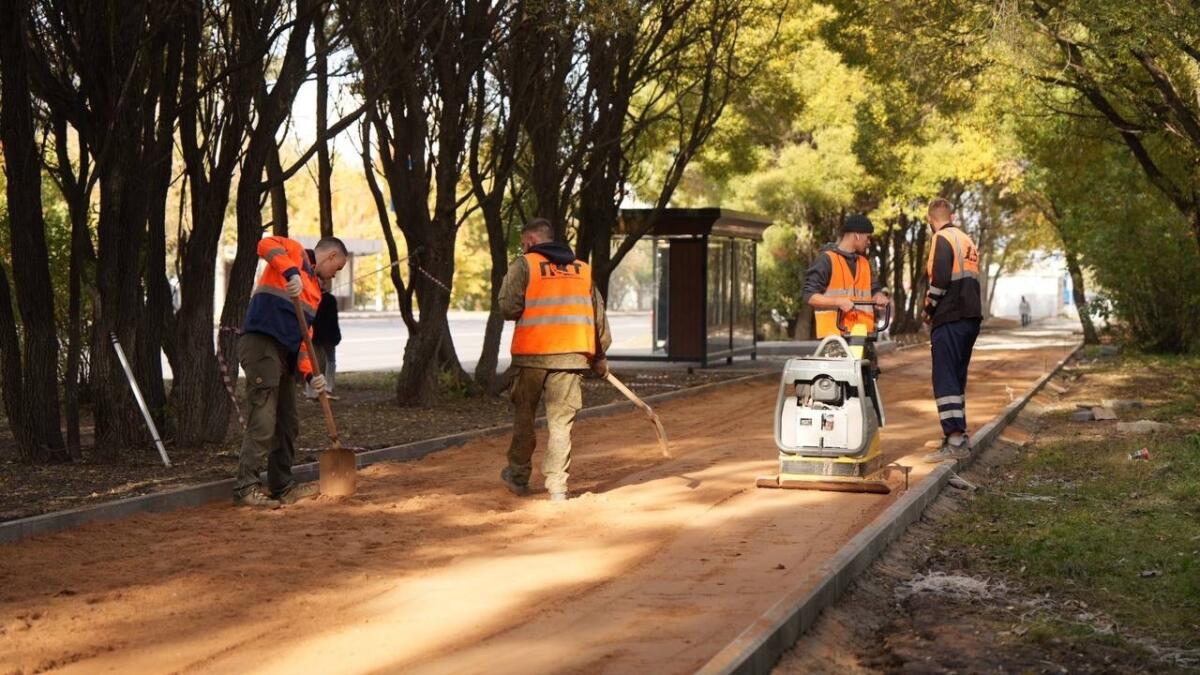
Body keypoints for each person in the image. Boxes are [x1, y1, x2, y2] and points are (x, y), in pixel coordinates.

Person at [498, 218, 612, 502]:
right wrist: (599, 356)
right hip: (571, 358)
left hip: (532, 357)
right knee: (561, 424)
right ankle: (558, 486)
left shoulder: (524, 265)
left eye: (525, 244)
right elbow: (598, 317)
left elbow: (508, 308)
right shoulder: (582, 270)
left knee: (525, 418)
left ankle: (519, 476)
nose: (524, 248)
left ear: (532, 241)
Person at [234, 235, 348, 507]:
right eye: (338, 267)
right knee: (263, 419)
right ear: (330, 256)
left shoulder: (316, 293)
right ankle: (245, 488)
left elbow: (305, 338)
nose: (335, 275)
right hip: (261, 343)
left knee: (288, 422)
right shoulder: (294, 252)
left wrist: (312, 375)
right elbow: (263, 245)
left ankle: (281, 486)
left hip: (286, 355)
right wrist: (290, 272)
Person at [921, 198, 982, 462]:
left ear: (929, 220)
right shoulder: (966, 240)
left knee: (944, 377)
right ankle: (958, 436)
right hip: (970, 318)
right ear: (952, 215)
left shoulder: (941, 239)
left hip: (950, 317)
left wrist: (929, 308)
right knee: (956, 377)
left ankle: (955, 440)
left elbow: (941, 279)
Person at [802, 213, 891, 350]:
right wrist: (837, 301)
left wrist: (879, 297)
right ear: (857, 235)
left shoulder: (864, 264)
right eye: (867, 237)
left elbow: (874, 290)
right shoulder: (826, 260)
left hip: (864, 335)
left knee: (867, 371)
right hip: (835, 338)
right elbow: (809, 296)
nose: (869, 242)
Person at [306, 280, 341, 401]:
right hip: (324, 336)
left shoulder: (311, 297)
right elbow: (333, 320)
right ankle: (324, 388)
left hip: (319, 336)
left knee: (316, 362)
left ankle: (316, 390)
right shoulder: (328, 299)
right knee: (326, 361)